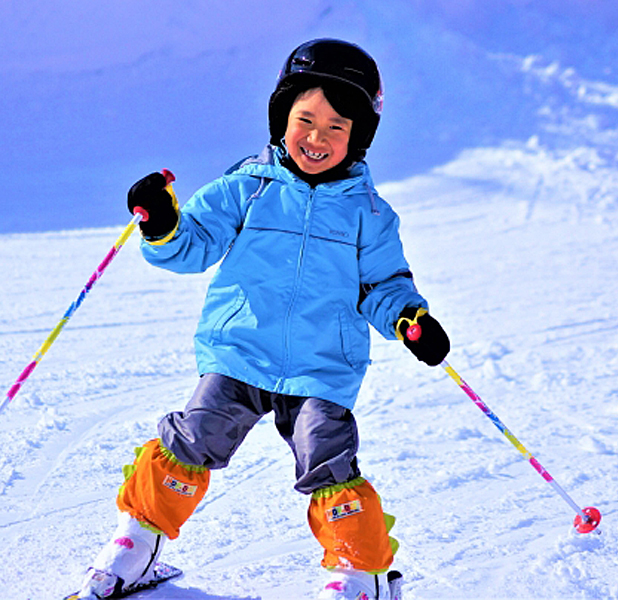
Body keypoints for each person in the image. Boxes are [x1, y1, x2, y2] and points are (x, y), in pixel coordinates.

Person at [70, 38, 450, 600]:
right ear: (281, 119)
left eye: (336, 127)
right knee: (191, 439)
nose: (317, 138)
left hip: (321, 366)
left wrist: (409, 318)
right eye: (305, 121)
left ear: (359, 136)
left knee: (328, 462)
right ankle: (135, 543)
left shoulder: (369, 213)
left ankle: (360, 573)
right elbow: (193, 245)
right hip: (240, 352)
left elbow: (382, 285)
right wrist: (164, 224)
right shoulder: (246, 188)